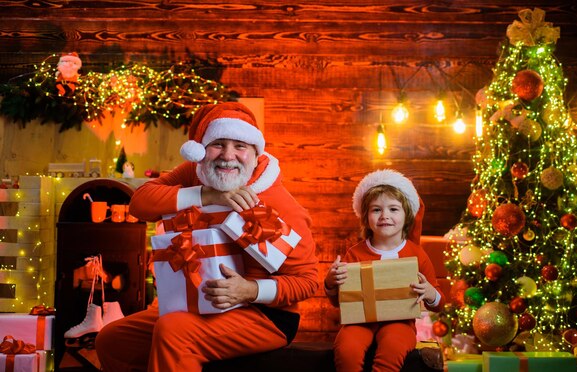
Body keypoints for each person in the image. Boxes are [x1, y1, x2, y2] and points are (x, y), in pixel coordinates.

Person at [95, 102, 319, 371]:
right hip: (197, 302)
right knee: (112, 340)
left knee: (174, 331)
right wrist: (206, 195)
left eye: (240, 146)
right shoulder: (197, 173)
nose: (228, 155)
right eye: (218, 144)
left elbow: (307, 281)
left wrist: (249, 290)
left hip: (264, 314)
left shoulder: (279, 202)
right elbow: (140, 203)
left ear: (256, 153)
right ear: (201, 149)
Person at [324, 169, 446, 372]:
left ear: (406, 215)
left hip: (401, 323)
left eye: (393, 209)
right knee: (347, 350)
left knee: (392, 348)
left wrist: (430, 293)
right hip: (359, 323)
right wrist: (331, 282)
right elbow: (340, 302)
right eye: (376, 210)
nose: (385, 216)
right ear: (366, 217)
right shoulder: (355, 253)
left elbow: (439, 303)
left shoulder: (416, 254)